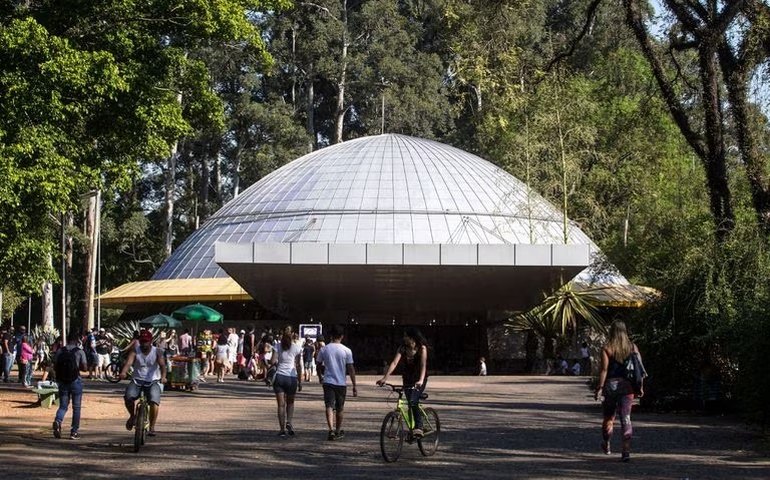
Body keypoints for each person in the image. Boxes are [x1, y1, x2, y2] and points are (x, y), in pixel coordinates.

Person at [594, 321, 644, 463]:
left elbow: (603, 370)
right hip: (627, 387)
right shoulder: (633, 347)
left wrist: (600, 387)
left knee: (609, 417)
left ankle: (607, 443)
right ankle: (626, 451)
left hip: (610, 386)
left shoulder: (607, 348)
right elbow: (639, 369)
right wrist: (640, 387)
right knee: (626, 418)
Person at [376, 327, 428, 437]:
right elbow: (394, 363)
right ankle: (411, 429)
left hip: (419, 378)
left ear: (412, 338)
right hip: (408, 378)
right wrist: (385, 378)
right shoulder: (402, 348)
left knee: (413, 401)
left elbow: (423, 365)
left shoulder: (422, 348)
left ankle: (419, 427)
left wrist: (421, 380)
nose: (404, 338)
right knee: (409, 402)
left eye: (406, 336)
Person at [121, 330, 167, 437]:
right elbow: (128, 363)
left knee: (154, 401)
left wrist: (163, 377)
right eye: (142, 341)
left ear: (151, 341)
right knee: (128, 396)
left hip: (153, 381)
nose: (144, 344)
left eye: (146, 341)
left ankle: (152, 426)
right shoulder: (135, 351)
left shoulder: (157, 352)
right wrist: (123, 372)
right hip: (137, 380)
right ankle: (132, 416)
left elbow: (163, 366)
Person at [315, 325, 357, 440]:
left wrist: (320, 377)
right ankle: (338, 430)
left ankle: (331, 430)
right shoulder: (347, 350)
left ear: (331, 336)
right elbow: (350, 369)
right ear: (342, 337)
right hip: (341, 383)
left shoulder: (324, 349)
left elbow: (318, 365)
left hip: (328, 381)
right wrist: (354, 385)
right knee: (340, 407)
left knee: (329, 406)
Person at [52, 331, 88, 440]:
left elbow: (55, 365)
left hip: (62, 381)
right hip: (75, 381)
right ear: (77, 340)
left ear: (67, 340)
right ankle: (74, 432)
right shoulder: (80, 352)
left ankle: (58, 421)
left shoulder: (60, 351)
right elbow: (85, 368)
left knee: (63, 405)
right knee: (76, 408)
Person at [270, 326, 303, 436]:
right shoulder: (296, 347)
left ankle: (282, 429)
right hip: (291, 377)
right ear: (293, 335)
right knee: (290, 403)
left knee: (280, 405)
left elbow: (273, 361)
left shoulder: (277, 346)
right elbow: (298, 365)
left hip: (279, 376)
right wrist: (300, 381)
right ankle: (289, 421)